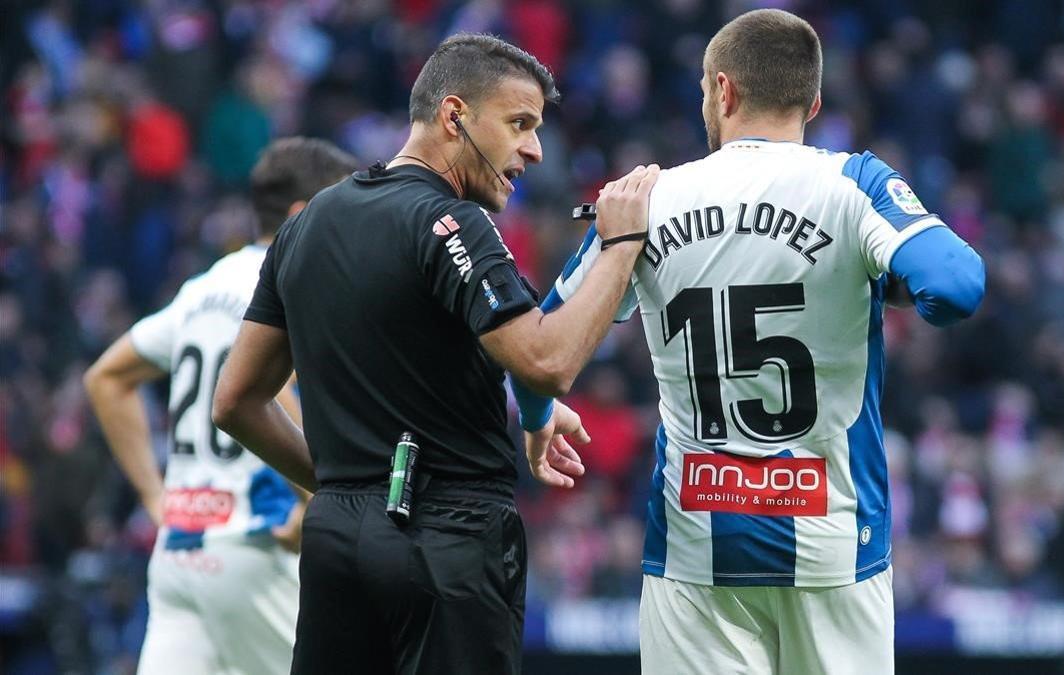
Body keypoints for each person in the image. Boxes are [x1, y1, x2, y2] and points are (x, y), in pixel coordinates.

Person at [522, 9, 986, 674]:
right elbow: (956, 286)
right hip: (835, 547)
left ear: (722, 90)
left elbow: (542, 348)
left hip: (696, 551)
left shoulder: (646, 200)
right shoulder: (853, 185)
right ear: (813, 103)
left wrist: (538, 420)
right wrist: (885, 285)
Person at [211, 34, 658, 674]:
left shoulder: (306, 225)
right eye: (519, 124)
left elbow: (234, 401)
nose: (533, 149)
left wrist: (343, 486)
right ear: (454, 116)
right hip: (448, 538)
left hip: (337, 539)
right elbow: (546, 360)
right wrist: (621, 244)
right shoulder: (450, 221)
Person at [83, 137, 357, 675]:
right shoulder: (294, 285)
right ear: (302, 216)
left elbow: (106, 378)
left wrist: (154, 496)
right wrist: (312, 504)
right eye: (341, 212)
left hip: (181, 551)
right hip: (256, 547)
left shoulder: (202, 289)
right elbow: (266, 389)